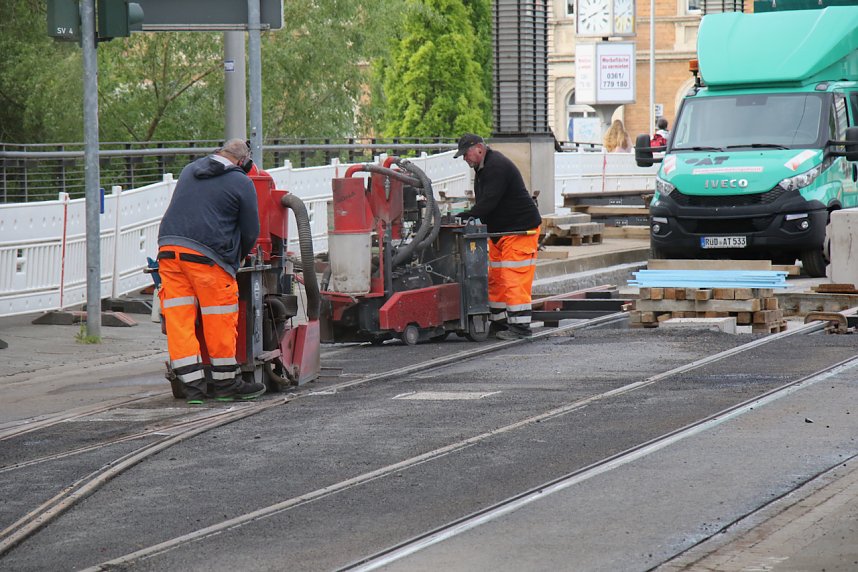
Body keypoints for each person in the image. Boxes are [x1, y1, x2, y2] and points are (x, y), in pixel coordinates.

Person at [157, 138, 265, 404]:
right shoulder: (242, 182)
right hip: (208, 257)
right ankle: (226, 385)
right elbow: (251, 230)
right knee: (219, 318)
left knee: (179, 320)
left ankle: (193, 389)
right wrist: (235, 258)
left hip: (169, 252)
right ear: (243, 162)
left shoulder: (189, 171)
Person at [454, 133, 542, 340]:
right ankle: (500, 322)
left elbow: (489, 202)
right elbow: (486, 202)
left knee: (513, 279)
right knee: (496, 279)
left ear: (478, 149)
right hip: (501, 233)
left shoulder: (496, 166)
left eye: (465, 154)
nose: (465, 159)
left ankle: (520, 328)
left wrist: (464, 217)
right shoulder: (482, 168)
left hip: (520, 231)